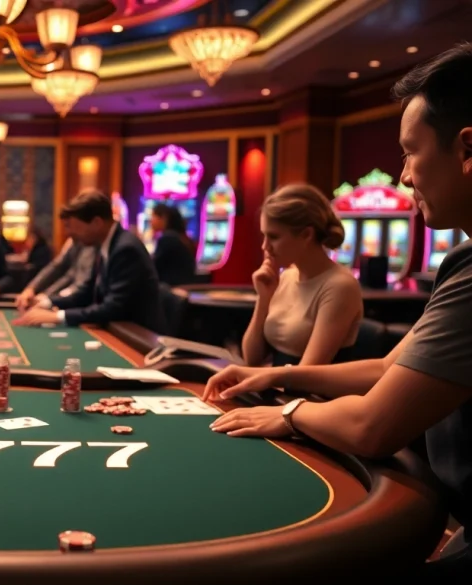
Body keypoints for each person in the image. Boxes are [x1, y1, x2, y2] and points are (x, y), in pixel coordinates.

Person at [203, 43, 472, 581]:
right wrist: (276, 374)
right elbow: (385, 368)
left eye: (410, 151)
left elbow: (372, 426)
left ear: (467, 148)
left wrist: (288, 412)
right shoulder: (463, 259)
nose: (404, 177)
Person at [239, 184, 363, 367]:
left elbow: (307, 373)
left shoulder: (340, 286)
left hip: (314, 395)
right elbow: (251, 359)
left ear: (306, 235)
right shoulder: (286, 277)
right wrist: (264, 298)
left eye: (273, 237)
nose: (265, 247)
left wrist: (252, 377)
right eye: (264, 236)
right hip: (279, 391)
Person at [13, 189, 165, 331]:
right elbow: (87, 292)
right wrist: (47, 303)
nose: (70, 233)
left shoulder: (125, 248)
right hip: (119, 328)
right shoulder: (104, 244)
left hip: (138, 337)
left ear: (96, 223)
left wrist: (57, 316)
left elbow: (113, 307)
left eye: (74, 227)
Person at [14, 229, 97, 310]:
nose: (66, 232)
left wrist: (49, 299)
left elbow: (78, 283)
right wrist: (31, 289)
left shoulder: (90, 243)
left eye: (68, 225)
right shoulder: (75, 240)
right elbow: (58, 268)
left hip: (84, 309)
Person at [150, 203, 197, 286]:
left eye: (153, 216)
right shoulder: (180, 236)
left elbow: (153, 267)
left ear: (163, 218)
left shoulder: (168, 238)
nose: (151, 220)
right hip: (184, 286)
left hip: (172, 289)